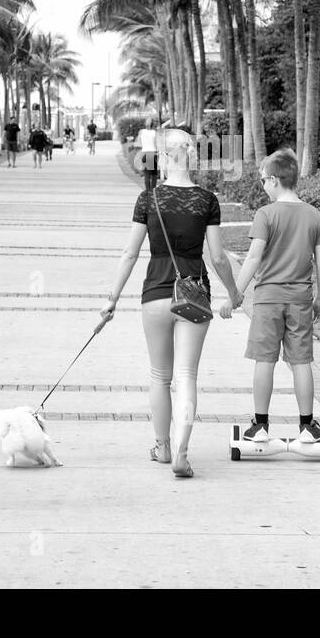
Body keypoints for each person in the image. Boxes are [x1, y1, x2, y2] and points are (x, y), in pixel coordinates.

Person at [101, 128, 241, 479]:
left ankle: (162, 446)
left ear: (163, 158)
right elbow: (219, 257)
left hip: (156, 293)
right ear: (191, 157)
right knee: (187, 376)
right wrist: (235, 292)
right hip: (193, 293)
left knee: (159, 376)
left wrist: (112, 299)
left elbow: (130, 252)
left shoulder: (148, 200)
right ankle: (182, 449)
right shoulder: (207, 200)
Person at [231, 148, 320, 445]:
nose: (262, 186)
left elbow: (253, 258)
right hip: (300, 299)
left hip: (268, 300)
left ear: (274, 180)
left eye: (263, 180)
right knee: (301, 362)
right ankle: (307, 426)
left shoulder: (266, 215)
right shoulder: (314, 215)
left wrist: (236, 294)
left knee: (265, 361)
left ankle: (260, 425)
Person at [137, 118, 159, 192]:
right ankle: (153, 191)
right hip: (152, 154)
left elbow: (138, 143)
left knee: (146, 174)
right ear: (153, 124)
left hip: (145, 154)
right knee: (154, 175)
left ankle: (147, 191)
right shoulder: (154, 132)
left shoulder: (141, 132)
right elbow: (156, 144)